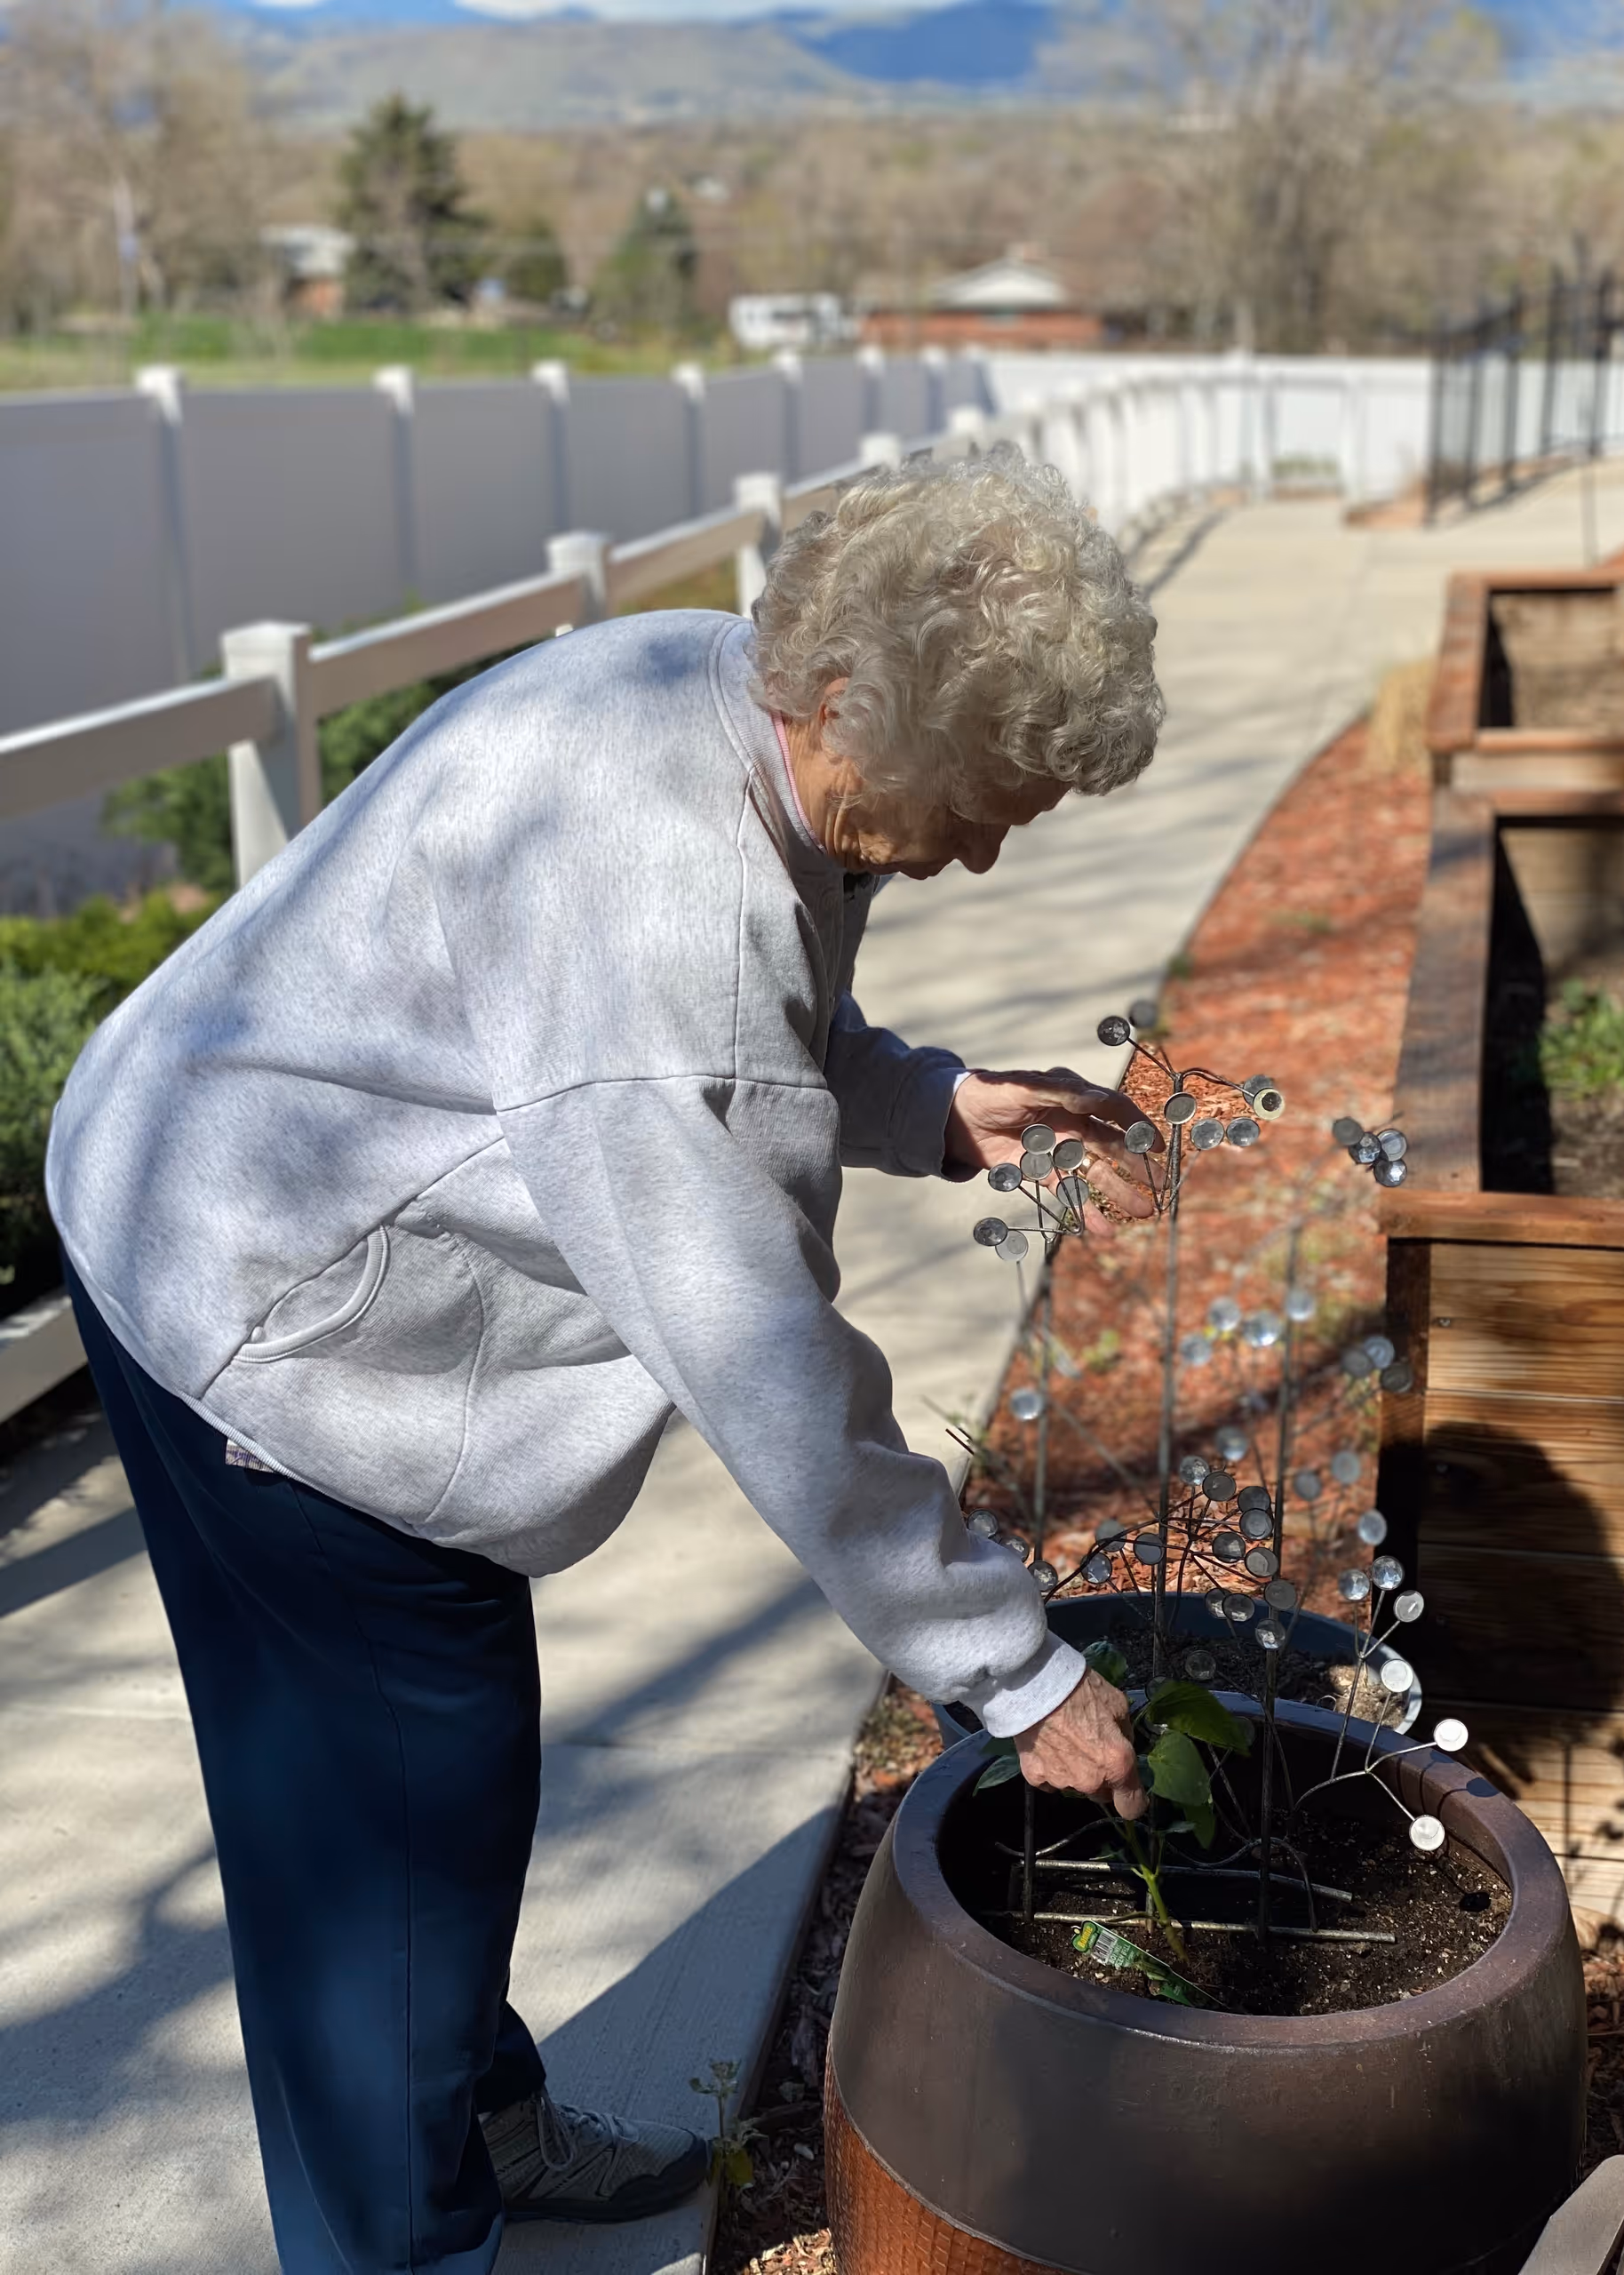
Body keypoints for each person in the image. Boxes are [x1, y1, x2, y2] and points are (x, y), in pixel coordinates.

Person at [46, 447, 1163, 2273]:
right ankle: (406, 2235)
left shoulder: (721, 697)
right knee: (392, 1805)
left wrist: (929, 1100)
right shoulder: (666, 893)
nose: (983, 846)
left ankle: (473, 2125)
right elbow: (764, 1357)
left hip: (196, 1163)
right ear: (848, 708)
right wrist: (1014, 1669)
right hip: (259, 1289)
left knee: (405, 1805)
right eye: (988, 801)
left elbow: (770, 1031)